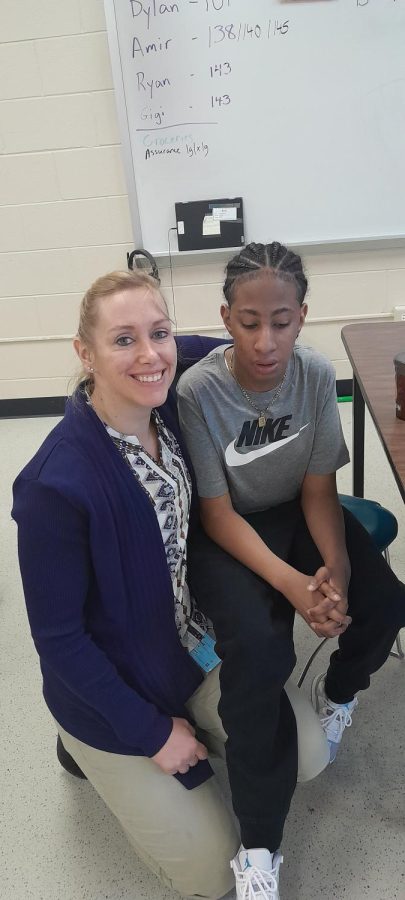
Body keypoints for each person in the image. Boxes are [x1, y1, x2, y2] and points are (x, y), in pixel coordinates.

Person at [12, 268, 328, 900]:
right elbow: (60, 641)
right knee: (214, 876)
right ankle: (84, 746)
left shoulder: (175, 392)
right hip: (112, 684)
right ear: (85, 352)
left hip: (188, 648)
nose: (150, 354)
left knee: (308, 754)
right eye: (123, 339)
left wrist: (292, 352)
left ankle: (190, 727)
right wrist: (153, 733)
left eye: (160, 333)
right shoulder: (53, 485)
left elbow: (244, 344)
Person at [177, 241, 405, 900]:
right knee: (257, 655)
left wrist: (331, 570)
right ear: (226, 319)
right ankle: (258, 849)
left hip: (295, 514)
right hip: (230, 535)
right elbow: (217, 516)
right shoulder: (199, 392)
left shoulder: (311, 372)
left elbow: (316, 491)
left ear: (300, 317)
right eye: (249, 322)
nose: (264, 339)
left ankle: (336, 695)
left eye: (280, 321)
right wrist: (292, 587)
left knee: (385, 602)